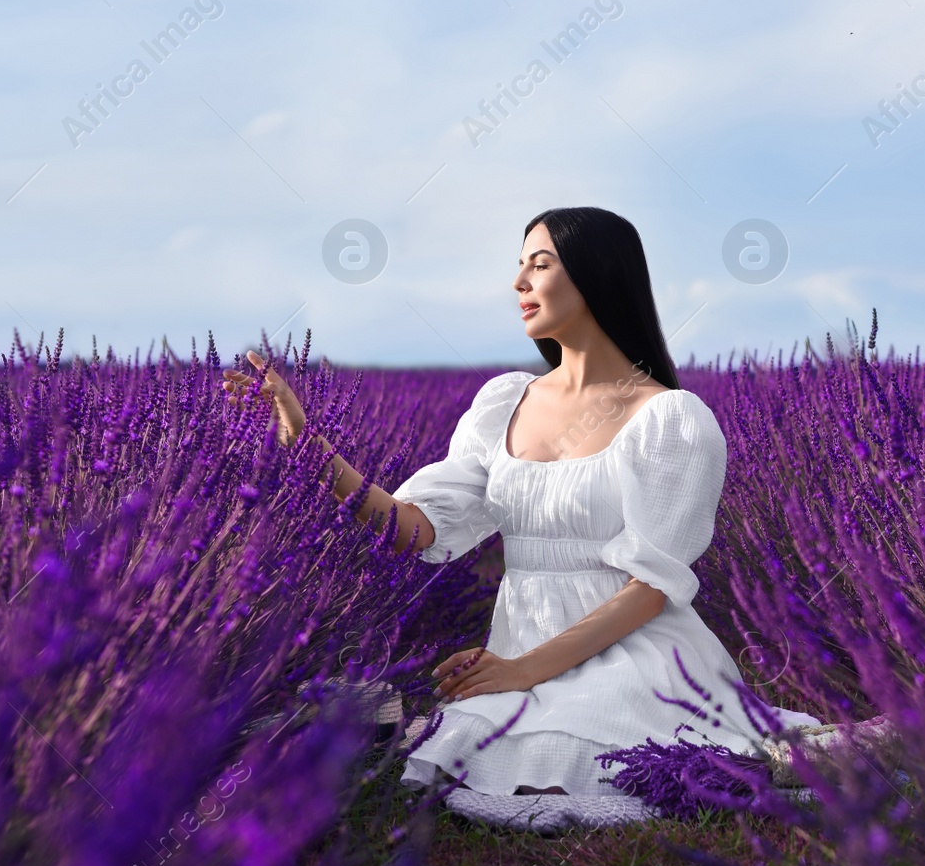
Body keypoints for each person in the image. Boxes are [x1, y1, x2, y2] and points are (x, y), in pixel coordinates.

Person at [222, 206, 818, 797]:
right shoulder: (504, 402)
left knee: (588, 760)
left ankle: (811, 756)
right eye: (520, 266)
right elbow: (411, 530)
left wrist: (523, 671)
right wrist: (305, 442)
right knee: (472, 751)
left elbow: (651, 586)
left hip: (634, 658)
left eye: (541, 264)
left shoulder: (669, 419)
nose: (519, 283)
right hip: (521, 651)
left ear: (597, 275)